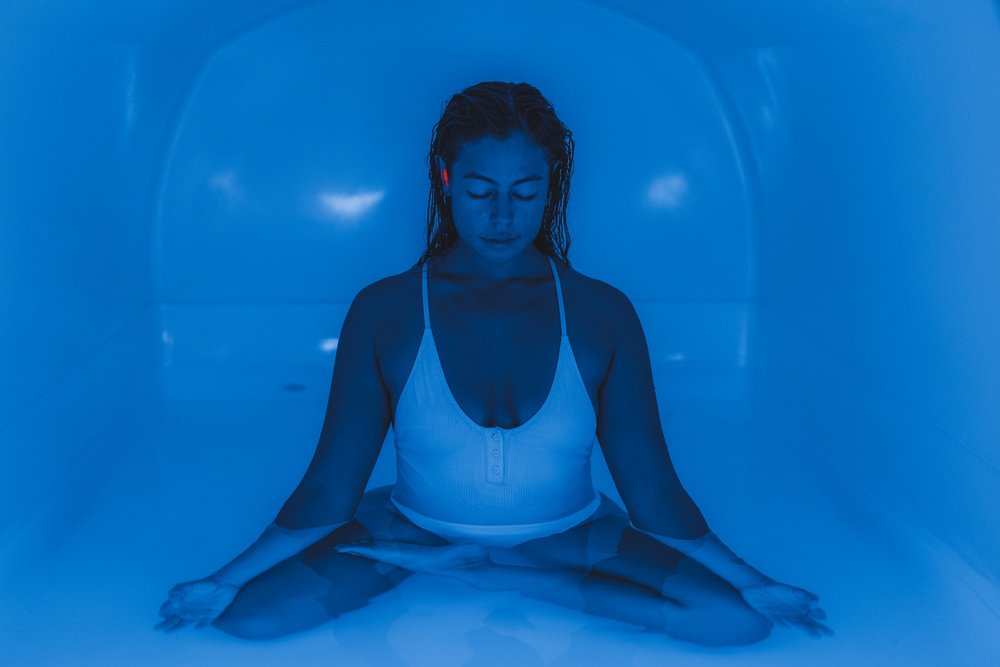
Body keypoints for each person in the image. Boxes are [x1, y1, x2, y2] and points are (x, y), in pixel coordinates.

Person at [155, 81, 831, 647]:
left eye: (526, 191)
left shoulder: (601, 312)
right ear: (445, 180)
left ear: (550, 187)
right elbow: (330, 488)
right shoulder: (385, 310)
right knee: (251, 617)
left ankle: (488, 570)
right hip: (413, 523)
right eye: (480, 191)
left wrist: (751, 578)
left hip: (572, 533)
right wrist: (225, 576)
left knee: (736, 621)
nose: (504, 215)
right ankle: (463, 559)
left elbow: (653, 495)